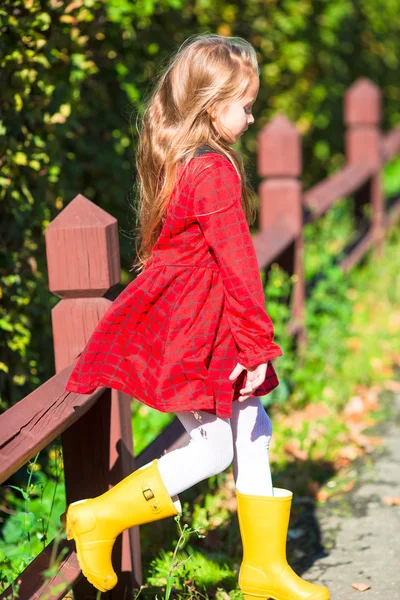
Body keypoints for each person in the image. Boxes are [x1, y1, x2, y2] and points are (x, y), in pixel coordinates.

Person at [62, 33, 330, 600]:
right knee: (214, 447)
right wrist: (258, 347)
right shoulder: (213, 172)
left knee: (253, 426)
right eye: (246, 105)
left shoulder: (187, 160)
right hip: (191, 331)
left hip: (200, 322)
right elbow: (239, 265)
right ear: (214, 106)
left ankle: (262, 569)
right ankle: (102, 517)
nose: (253, 117)